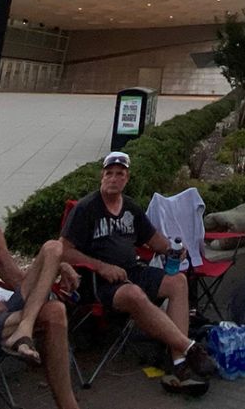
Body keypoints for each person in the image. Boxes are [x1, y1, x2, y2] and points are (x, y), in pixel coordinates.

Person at [59, 152, 217, 393]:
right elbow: (64, 251)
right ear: (102, 177)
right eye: (108, 173)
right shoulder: (86, 208)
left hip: (132, 271)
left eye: (119, 174)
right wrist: (101, 266)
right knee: (134, 294)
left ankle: (178, 362)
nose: (113, 178)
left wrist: (175, 249)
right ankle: (189, 348)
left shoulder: (131, 208)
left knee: (178, 282)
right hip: (98, 282)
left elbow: (155, 241)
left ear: (126, 178)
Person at [0, 167, 80, 409]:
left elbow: (17, 280)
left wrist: (57, 267)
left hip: (1, 312)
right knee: (54, 312)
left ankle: (24, 329)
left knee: (54, 249)